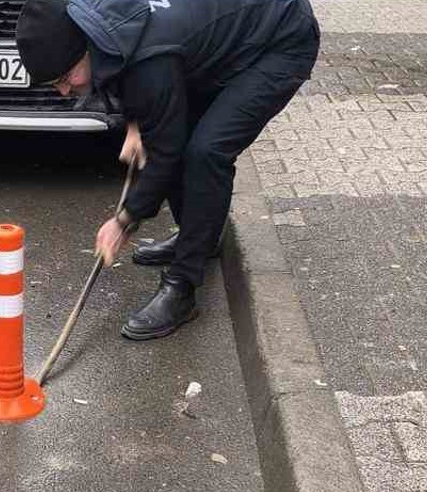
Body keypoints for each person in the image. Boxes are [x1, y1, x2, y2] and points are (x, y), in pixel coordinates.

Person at [16, 0, 320, 340]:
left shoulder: (151, 57)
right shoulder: (103, 25)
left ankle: (182, 288)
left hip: (280, 38)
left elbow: (166, 152)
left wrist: (124, 221)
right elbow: (127, 76)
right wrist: (135, 123)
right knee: (175, 133)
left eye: (64, 77)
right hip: (217, 37)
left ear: (85, 47)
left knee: (206, 150)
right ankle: (197, 235)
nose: (64, 90)